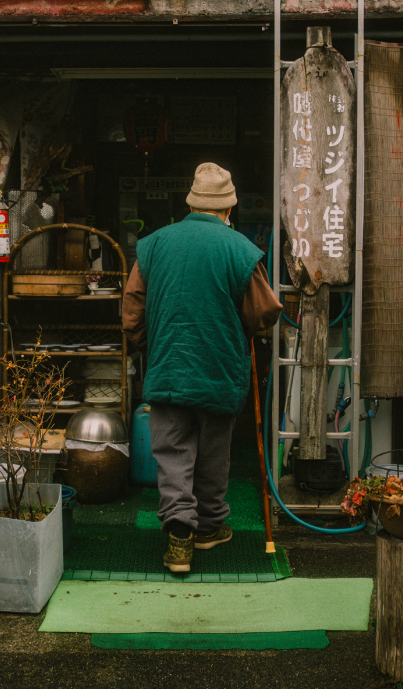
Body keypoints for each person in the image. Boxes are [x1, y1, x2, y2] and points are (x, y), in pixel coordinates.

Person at [122, 163, 282, 573]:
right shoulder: (240, 249)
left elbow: (131, 313)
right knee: (214, 452)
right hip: (220, 370)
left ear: (190, 203)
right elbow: (263, 312)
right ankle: (210, 527)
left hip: (169, 367)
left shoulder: (154, 244)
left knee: (173, 451)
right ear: (229, 209)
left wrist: (151, 347)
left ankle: (179, 533)